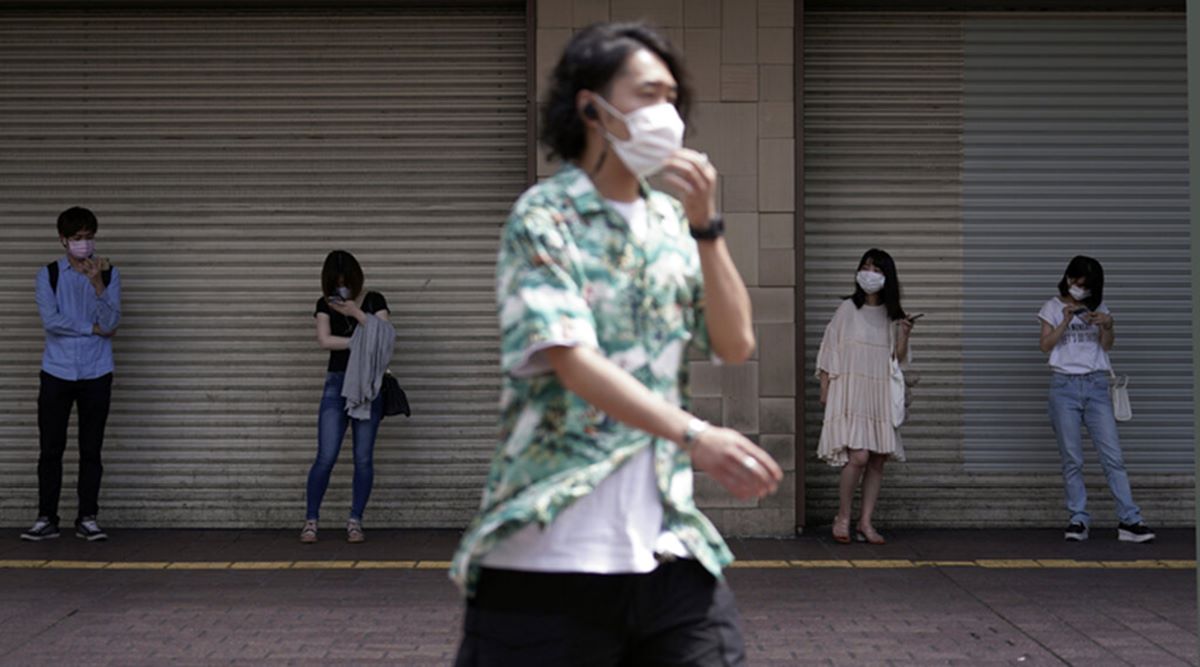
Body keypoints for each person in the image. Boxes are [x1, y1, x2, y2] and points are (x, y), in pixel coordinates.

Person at [449, 22, 782, 666]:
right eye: (647, 93)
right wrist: (695, 436)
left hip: (666, 547)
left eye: (672, 98)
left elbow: (735, 342)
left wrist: (706, 226)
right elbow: (571, 361)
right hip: (548, 554)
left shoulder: (668, 222)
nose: (666, 113)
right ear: (591, 107)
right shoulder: (545, 217)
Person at [1037, 255, 1154, 543]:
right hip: (1064, 386)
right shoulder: (1051, 307)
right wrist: (1064, 321)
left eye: (1087, 286)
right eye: (1077, 283)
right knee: (1072, 458)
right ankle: (1078, 518)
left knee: (1113, 456)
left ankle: (1130, 519)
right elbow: (1045, 346)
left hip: (1097, 385)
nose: (1081, 289)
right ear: (1068, 278)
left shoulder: (1099, 306)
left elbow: (1107, 346)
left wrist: (1107, 324)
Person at [21, 206, 121, 542]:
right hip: (57, 371)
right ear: (63, 240)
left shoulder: (108, 274)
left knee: (91, 448)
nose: (84, 244)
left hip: (96, 372)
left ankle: (88, 517)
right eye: (77, 238)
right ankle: (46, 517)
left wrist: (97, 284)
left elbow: (111, 323)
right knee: (51, 447)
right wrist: (91, 328)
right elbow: (51, 321)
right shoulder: (48, 275)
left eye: (89, 237)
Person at [816, 249, 914, 546]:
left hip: (879, 390)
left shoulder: (891, 314)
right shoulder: (847, 309)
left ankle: (866, 522)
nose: (869, 273)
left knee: (878, 458)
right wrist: (825, 390)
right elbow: (829, 349)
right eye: (865, 266)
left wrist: (905, 334)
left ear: (888, 276)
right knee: (858, 456)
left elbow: (897, 359)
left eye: (876, 268)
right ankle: (843, 517)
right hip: (851, 390)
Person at [301, 250, 391, 544]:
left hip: (368, 385)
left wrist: (355, 313)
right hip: (336, 383)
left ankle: (355, 521)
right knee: (326, 455)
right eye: (336, 282)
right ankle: (311, 520)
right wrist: (361, 341)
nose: (342, 287)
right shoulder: (323, 305)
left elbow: (387, 335)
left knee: (363, 458)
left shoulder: (374, 300)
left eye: (347, 280)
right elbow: (324, 340)